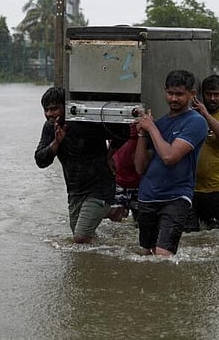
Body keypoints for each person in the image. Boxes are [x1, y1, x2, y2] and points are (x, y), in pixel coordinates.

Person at [134, 70, 208, 257]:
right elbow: (140, 167)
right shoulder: (159, 124)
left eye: (180, 94)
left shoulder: (196, 122)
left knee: (163, 255)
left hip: (176, 196)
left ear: (192, 94)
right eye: (170, 93)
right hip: (147, 196)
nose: (174, 99)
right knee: (146, 254)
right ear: (165, 91)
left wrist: (151, 128)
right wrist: (143, 133)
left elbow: (169, 157)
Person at [34, 86, 114, 243]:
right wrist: (56, 142)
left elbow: (120, 132)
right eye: (46, 110)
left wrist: (112, 153)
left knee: (80, 237)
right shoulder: (50, 127)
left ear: (67, 107)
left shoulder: (85, 122)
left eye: (55, 109)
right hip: (75, 192)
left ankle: (110, 208)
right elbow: (40, 160)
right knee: (84, 241)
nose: (50, 114)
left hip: (99, 188)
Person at [189, 74, 219, 230]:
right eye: (208, 94)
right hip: (189, 188)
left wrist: (206, 115)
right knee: (190, 234)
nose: (212, 98)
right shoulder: (191, 117)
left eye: (216, 94)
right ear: (201, 94)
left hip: (215, 189)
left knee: (216, 234)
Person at [107, 124, 142, 222]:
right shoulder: (120, 130)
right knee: (114, 215)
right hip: (120, 179)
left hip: (140, 182)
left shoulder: (146, 131)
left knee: (141, 221)